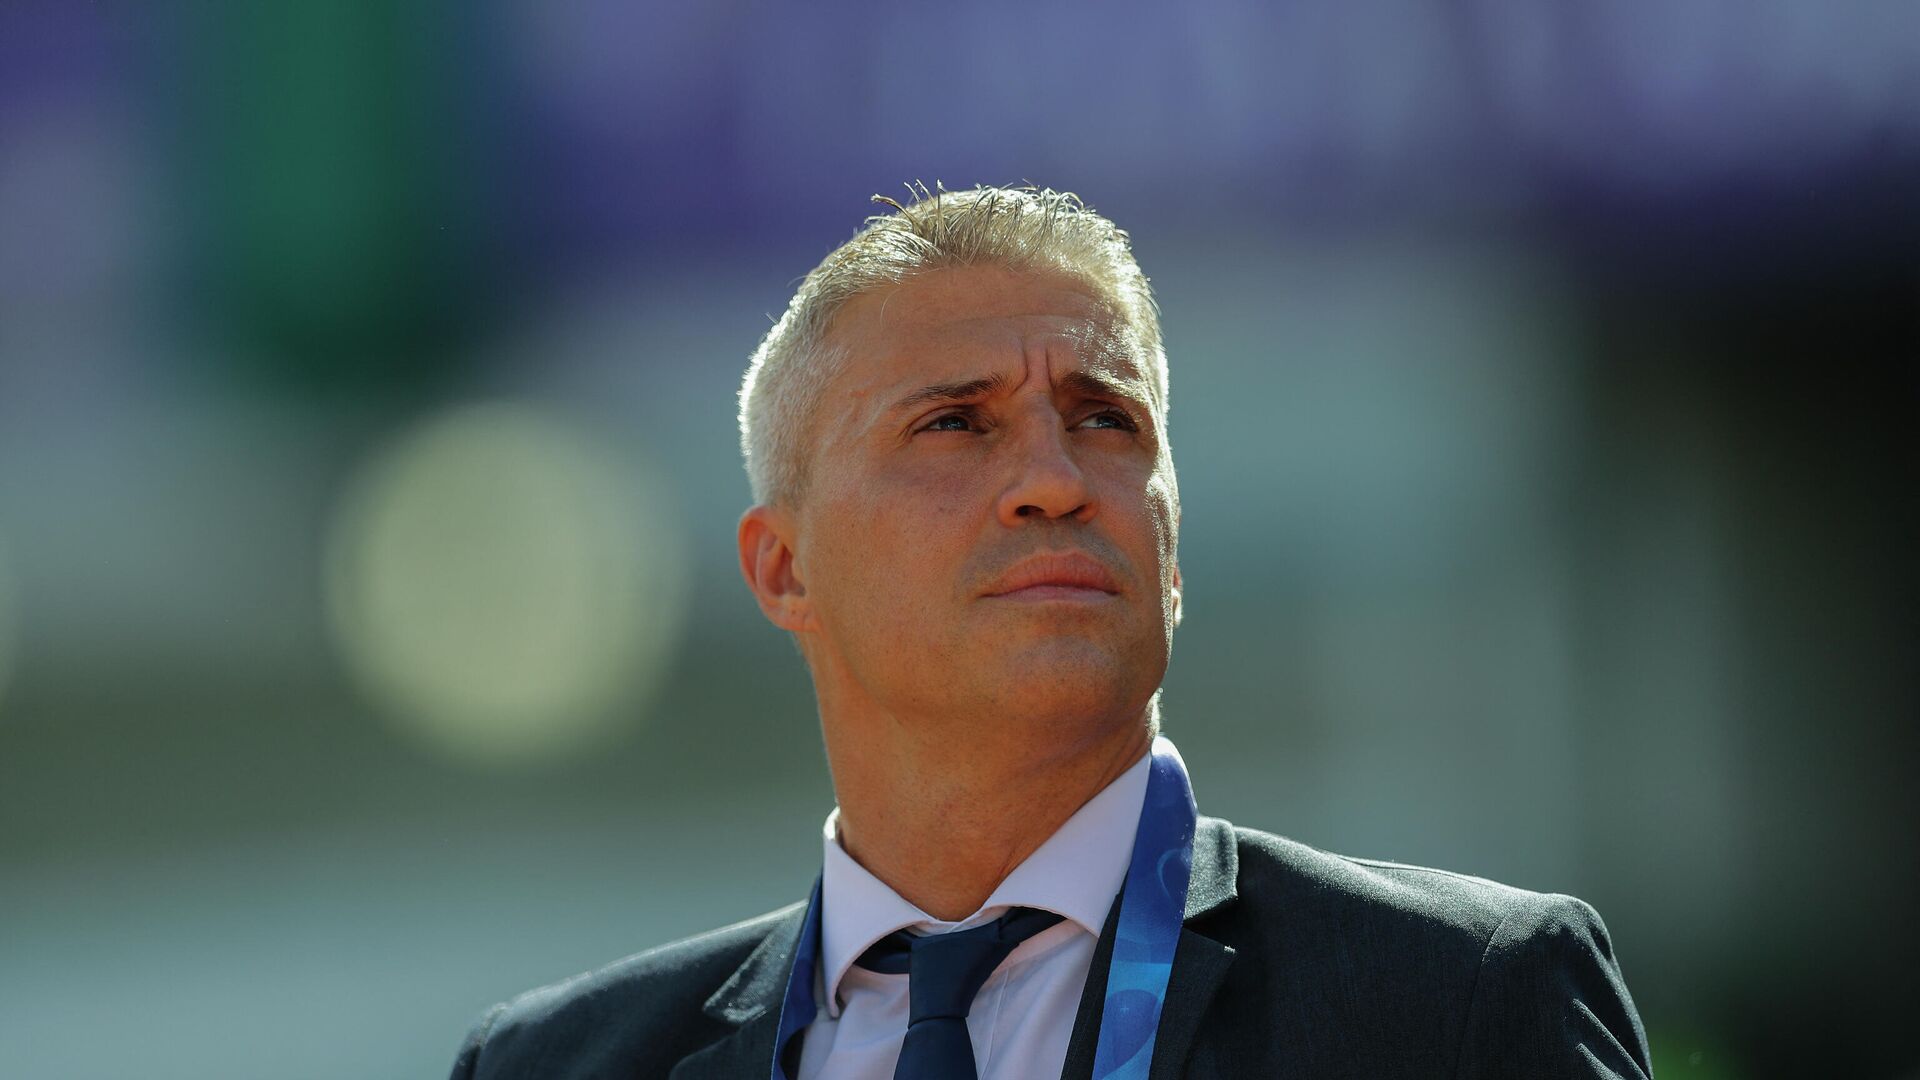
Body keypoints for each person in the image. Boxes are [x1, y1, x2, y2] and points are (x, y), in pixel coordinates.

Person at [447, 184, 1652, 1079]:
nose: (1055, 480)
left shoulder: (1457, 1004)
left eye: (1106, 419)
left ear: (1172, 543)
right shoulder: (553, 1066)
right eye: (956, 425)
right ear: (782, 566)